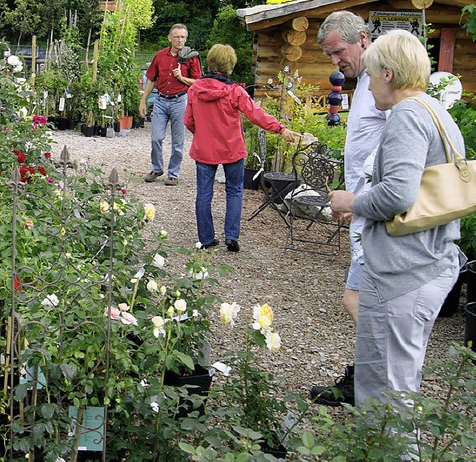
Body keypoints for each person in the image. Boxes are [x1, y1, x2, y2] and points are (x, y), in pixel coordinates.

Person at [328, 29, 463, 421]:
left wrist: (353, 201)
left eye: (370, 76)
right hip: (421, 262)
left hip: (404, 273)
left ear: (387, 73)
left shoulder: (406, 115)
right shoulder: (435, 111)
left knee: (390, 393)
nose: (367, 88)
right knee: (386, 383)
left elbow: (398, 195)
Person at [310, 11, 389, 406]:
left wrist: (363, 199)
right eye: (328, 55)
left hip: (375, 214)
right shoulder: (365, 81)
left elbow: (397, 147)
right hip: (363, 209)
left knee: (356, 301)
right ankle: (368, 380)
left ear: (361, 38)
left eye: (338, 51)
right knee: (364, 302)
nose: (335, 62)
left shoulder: (382, 81)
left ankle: (381, 382)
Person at [183, 44, 299, 252]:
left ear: (210, 62)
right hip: (232, 147)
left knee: (203, 193)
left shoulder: (195, 89)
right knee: (234, 190)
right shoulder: (235, 91)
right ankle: (232, 236)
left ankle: (206, 238)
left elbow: (189, 121)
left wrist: (202, 135)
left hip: (204, 148)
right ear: (230, 65)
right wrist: (281, 129)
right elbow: (256, 114)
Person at [140, 24, 202, 186]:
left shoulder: (190, 57)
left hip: (180, 101)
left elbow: (197, 82)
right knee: (156, 138)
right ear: (170, 38)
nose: (180, 40)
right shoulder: (160, 56)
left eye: (183, 37)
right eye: (177, 37)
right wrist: (143, 100)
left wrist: (181, 78)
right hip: (160, 100)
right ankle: (157, 168)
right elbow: (151, 79)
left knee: (177, 141)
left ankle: (173, 174)